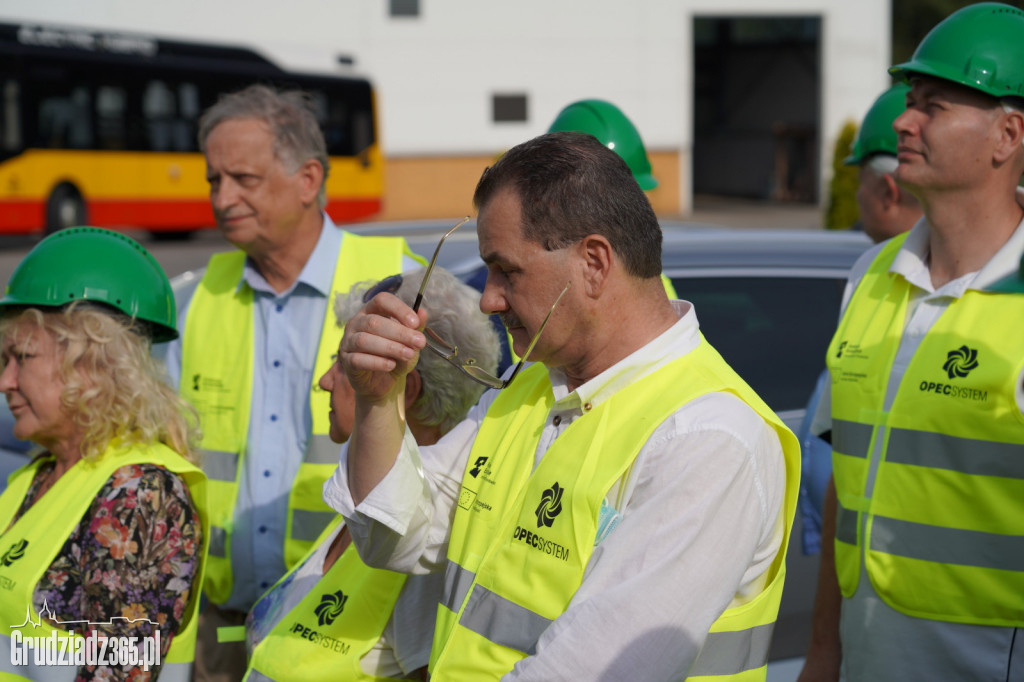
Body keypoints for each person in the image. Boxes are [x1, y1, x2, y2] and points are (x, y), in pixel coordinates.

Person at [326, 131, 801, 680]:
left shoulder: (708, 437)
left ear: (594, 263)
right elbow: (398, 537)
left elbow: (591, 669)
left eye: (507, 270)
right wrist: (378, 401)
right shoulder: (529, 383)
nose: (488, 298)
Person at [156, 83, 423, 681]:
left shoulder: (399, 290)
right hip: (218, 630)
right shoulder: (194, 299)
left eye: (242, 179)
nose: (223, 197)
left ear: (307, 179)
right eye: (213, 180)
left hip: (348, 629)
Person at [798, 4, 1024, 680]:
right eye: (908, 102)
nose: (902, 120)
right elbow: (847, 482)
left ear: (1007, 135)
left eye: (933, 105)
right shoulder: (871, 273)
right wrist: (822, 652)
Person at [242, 266, 500, 681]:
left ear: (405, 388)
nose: (325, 381)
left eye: (344, 363)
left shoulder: (424, 550)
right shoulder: (364, 498)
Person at [0, 227, 208, 681]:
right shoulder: (36, 477)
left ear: (92, 367)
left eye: (23, 358)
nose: (6, 382)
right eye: (3, 361)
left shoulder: (141, 494)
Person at [796, 83, 922, 555]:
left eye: (859, 183)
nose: (858, 198)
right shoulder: (868, 275)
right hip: (858, 583)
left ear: (887, 189)